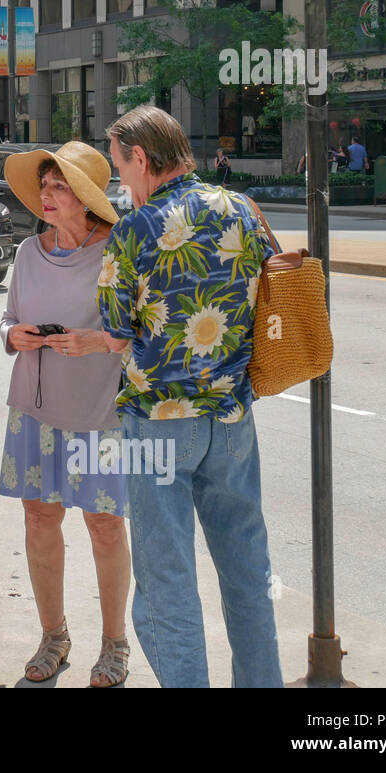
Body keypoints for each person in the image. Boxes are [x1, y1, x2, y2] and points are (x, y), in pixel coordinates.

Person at [100, 105, 282, 687]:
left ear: (143, 159)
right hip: (230, 418)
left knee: (167, 581)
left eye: (120, 168)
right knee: (247, 570)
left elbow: (113, 330)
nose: (120, 182)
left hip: (156, 425)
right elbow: (275, 284)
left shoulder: (133, 230)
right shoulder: (244, 211)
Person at [0, 141, 131, 687]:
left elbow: (141, 334)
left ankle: (115, 643)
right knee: (38, 519)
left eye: (60, 187)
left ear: (86, 199)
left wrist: (95, 340)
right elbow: (6, 320)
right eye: (45, 186)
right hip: (34, 409)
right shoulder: (30, 253)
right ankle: (54, 635)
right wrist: (14, 336)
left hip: (99, 413)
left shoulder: (117, 253)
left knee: (104, 525)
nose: (48, 196)